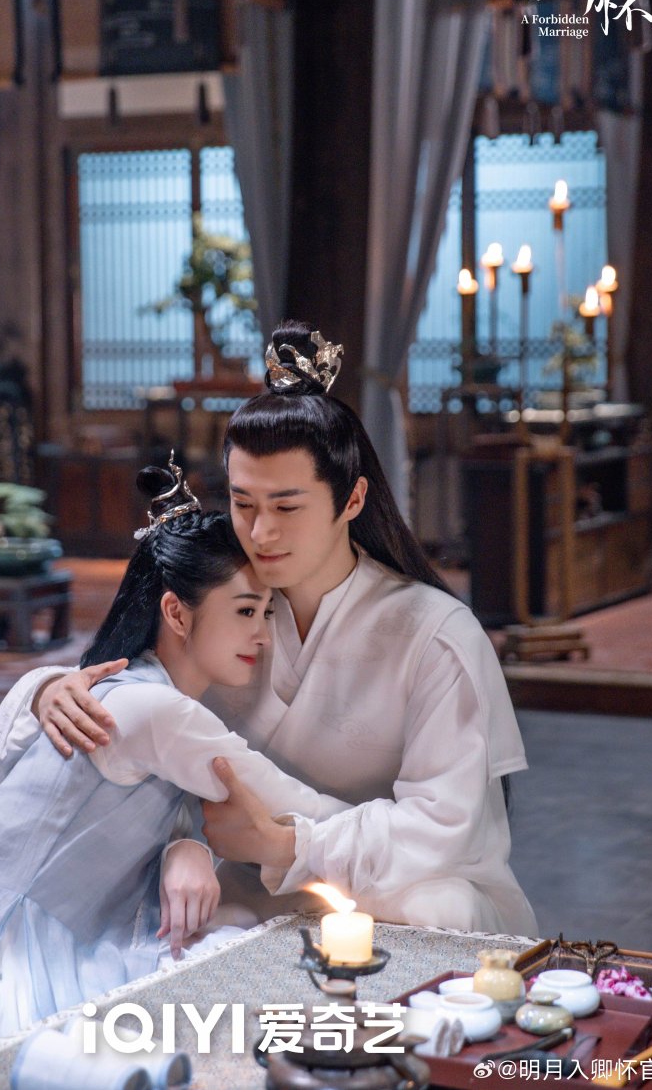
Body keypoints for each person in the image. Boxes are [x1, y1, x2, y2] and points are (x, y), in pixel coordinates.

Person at [0, 466, 349, 1087]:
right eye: (247, 610)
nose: (262, 634)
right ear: (176, 612)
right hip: (20, 960)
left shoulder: (129, 687)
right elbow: (299, 808)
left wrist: (188, 846)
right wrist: (404, 837)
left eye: (268, 611)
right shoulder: (158, 711)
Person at [27, 322, 537, 937]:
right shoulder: (218, 604)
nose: (261, 532)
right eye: (243, 504)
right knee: (183, 938)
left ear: (352, 500)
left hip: (399, 886)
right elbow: (155, 731)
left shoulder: (434, 634)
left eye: (287, 507)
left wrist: (289, 845)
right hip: (251, 880)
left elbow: (442, 829)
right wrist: (55, 692)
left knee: (438, 912)